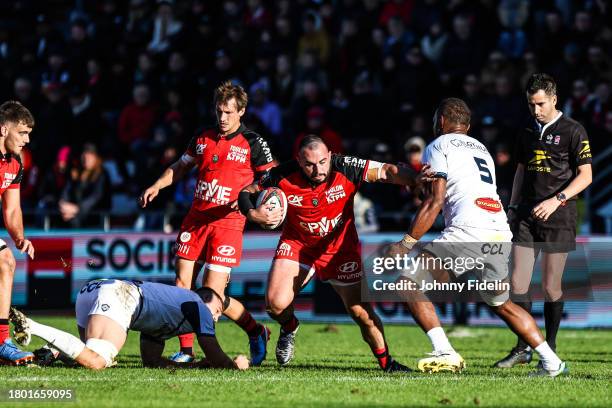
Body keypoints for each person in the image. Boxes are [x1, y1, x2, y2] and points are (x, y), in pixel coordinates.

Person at [388, 98, 568, 377]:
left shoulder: (438, 145)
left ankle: (444, 351)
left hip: (467, 232)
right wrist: (419, 184)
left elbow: (435, 203)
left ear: (442, 122)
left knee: (409, 283)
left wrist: (406, 243)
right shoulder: (482, 149)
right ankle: (552, 361)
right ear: (468, 126)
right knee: (500, 303)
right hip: (497, 231)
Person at [238, 135, 419, 372]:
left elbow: (388, 171)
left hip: (340, 251)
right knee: (275, 304)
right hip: (298, 245)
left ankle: (387, 364)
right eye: (310, 165)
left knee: (360, 312)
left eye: (323, 162)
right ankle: (290, 327)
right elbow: (246, 191)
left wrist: (418, 180)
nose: (319, 169)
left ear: (330, 156)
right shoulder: (281, 175)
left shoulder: (347, 167)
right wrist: (253, 214)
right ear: (299, 161)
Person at [140, 81, 276, 365]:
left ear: (241, 111)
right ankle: (187, 352)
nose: (223, 118)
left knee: (214, 296)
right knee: (181, 286)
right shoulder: (202, 137)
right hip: (196, 220)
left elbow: (269, 180)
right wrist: (157, 185)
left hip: (228, 224)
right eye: (219, 111)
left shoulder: (253, 142)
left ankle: (256, 330)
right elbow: (180, 166)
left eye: (228, 112)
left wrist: (259, 208)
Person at [494, 73, 592, 368]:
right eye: (530, 104)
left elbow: (585, 176)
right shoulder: (525, 130)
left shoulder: (574, 130)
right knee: (517, 283)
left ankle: (549, 348)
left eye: (540, 104)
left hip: (559, 216)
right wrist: (512, 205)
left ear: (553, 99)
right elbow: (521, 169)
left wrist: (556, 200)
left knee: (551, 287)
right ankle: (523, 347)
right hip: (525, 214)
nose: (535, 110)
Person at [9, 279, 249, 370]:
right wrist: (235, 365)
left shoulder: (170, 316)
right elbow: (216, 355)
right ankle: (32, 325)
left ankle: (50, 353)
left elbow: (152, 361)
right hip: (121, 296)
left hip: (98, 289)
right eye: (218, 311)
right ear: (207, 301)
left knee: (86, 353)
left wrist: (197, 367)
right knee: (97, 361)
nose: (216, 318)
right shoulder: (198, 303)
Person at [0, 100, 36, 365]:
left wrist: (19, 237)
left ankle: (2, 342)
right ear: (3, 130)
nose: (26, 139)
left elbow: (12, 210)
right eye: (22, 132)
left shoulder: (15, 163)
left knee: (6, 262)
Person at [58, 143, 111, 228]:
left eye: (90, 156)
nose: (86, 159)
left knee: (74, 222)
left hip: (96, 215)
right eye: (84, 156)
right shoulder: (76, 173)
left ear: (95, 158)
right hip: (73, 214)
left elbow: (96, 197)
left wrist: (77, 209)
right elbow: (67, 191)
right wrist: (63, 205)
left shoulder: (102, 174)